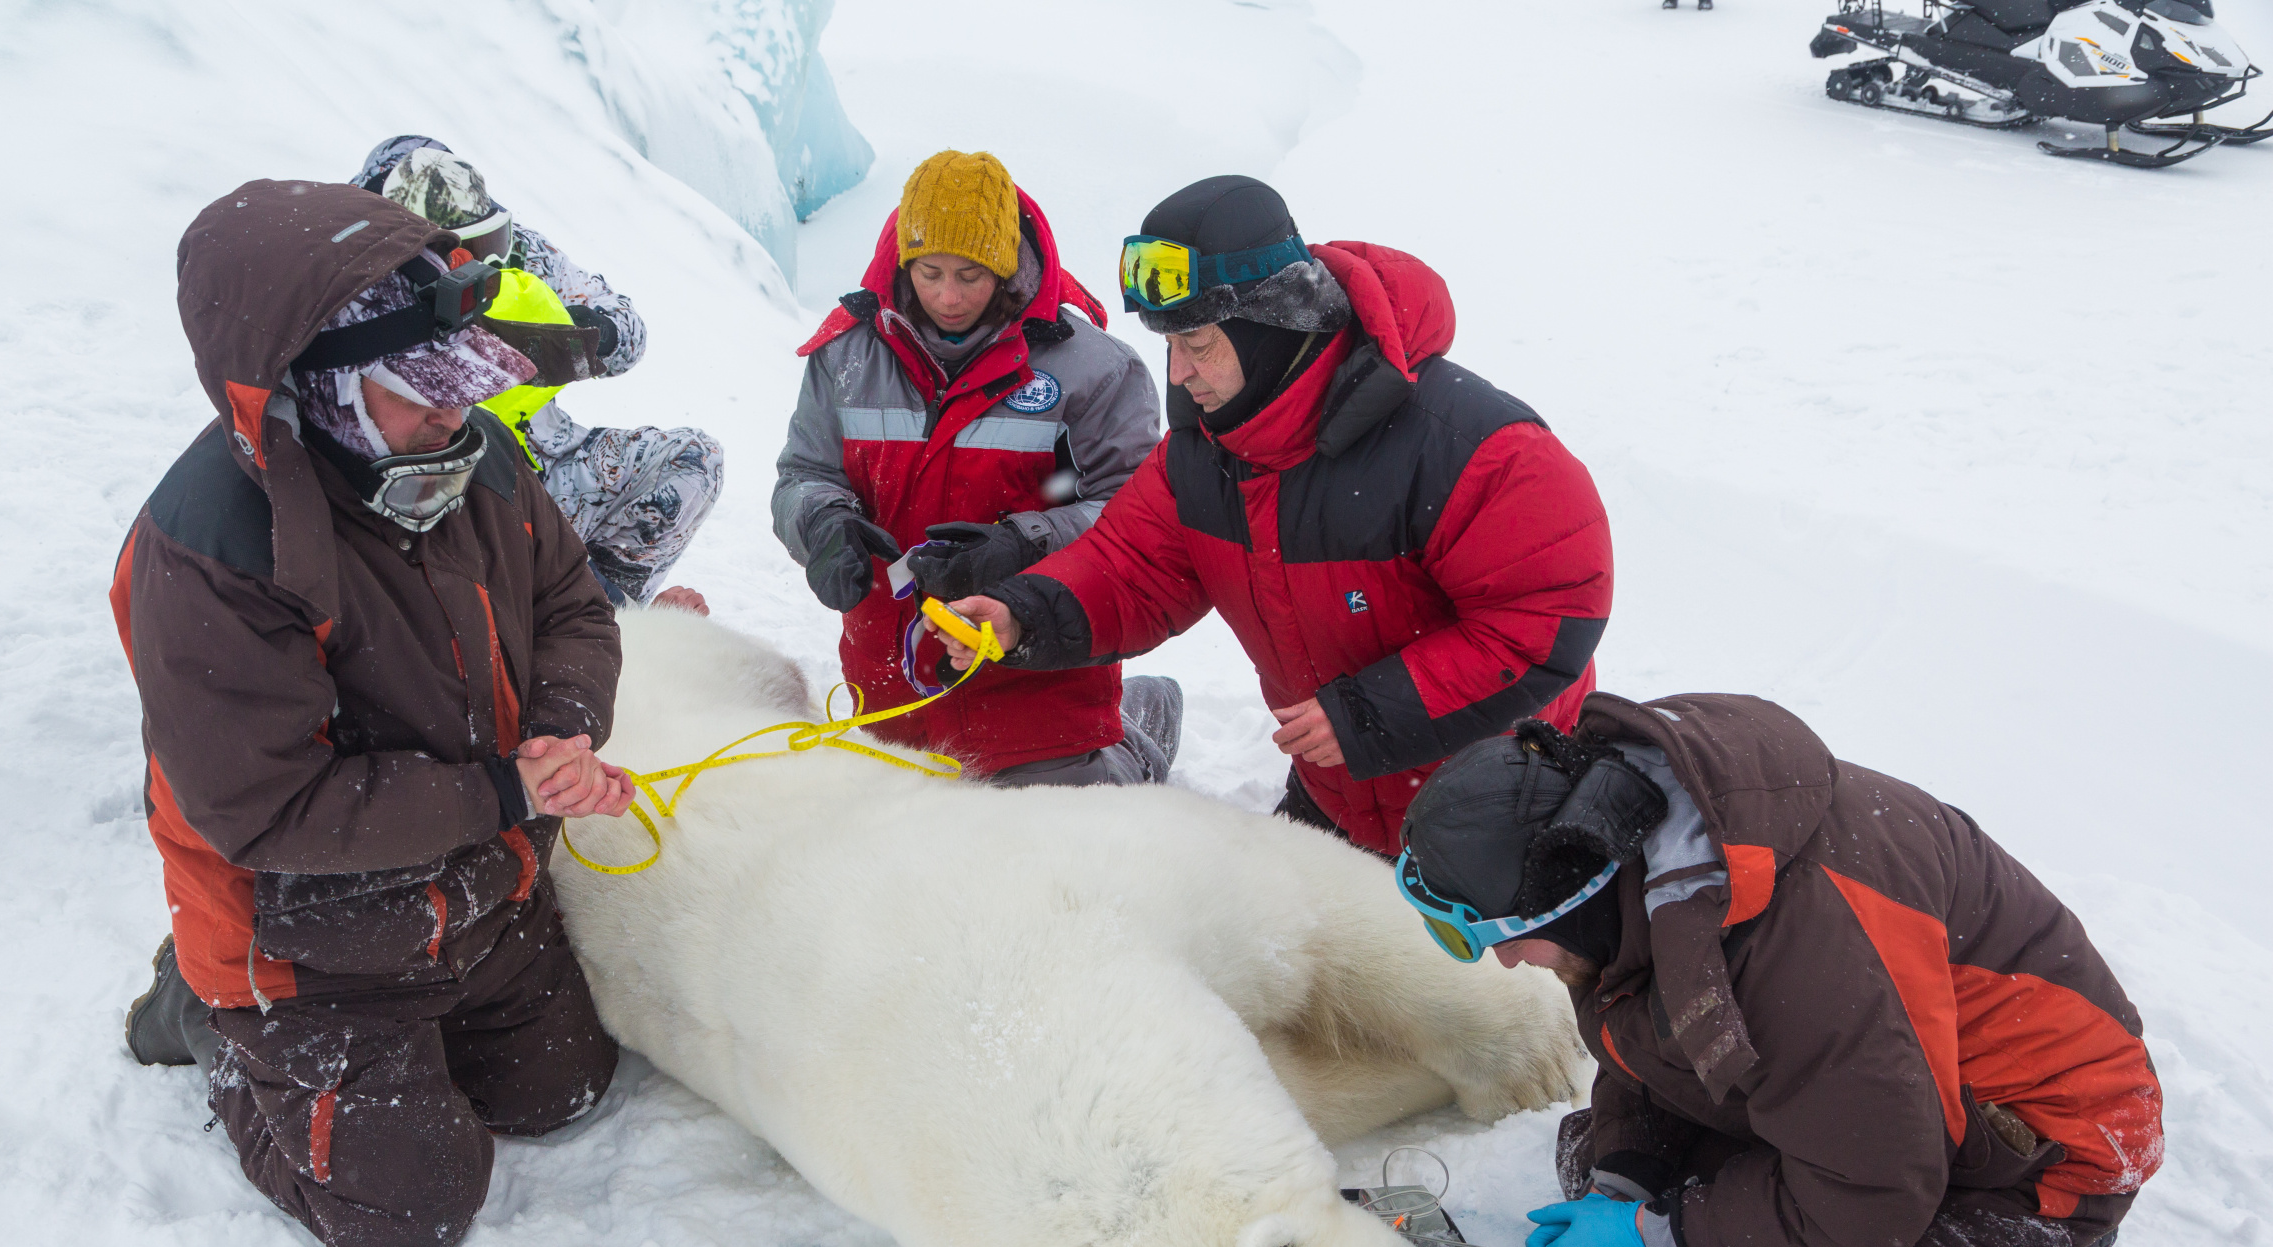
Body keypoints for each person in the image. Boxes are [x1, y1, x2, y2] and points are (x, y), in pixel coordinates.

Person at [1391, 697, 2165, 1247]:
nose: (1500, 959)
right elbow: (1645, 1029)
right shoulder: (1632, 858)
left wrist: (1654, 1233)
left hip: (2039, 1156)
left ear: (1562, 903)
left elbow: (1874, 1193)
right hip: (1885, 1100)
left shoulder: (1798, 962)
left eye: (1487, 935)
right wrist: (1624, 1183)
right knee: (1594, 1157)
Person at [114, 178, 638, 1247]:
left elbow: (573, 606)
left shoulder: (477, 464)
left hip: (478, 896)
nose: (456, 412)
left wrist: (561, 728)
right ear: (325, 384)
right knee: (408, 1215)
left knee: (563, 1096)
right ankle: (212, 1021)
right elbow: (272, 806)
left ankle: (407, 1043)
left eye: (463, 385)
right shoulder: (209, 546)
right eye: (421, 391)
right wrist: (508, 791)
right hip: (309, 944)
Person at [936, 175, 1611, 853]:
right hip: (1339, 793)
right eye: (1169, 346)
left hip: (1499, 802)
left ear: (1268, 328)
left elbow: (1544, 616)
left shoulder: (1470, 448)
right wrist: (1019, 613)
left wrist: (1368, 716)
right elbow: (1129, 567)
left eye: (1197, 345)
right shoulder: (1206, 455)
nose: (1178, 374)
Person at [772, 149, 1183, 786]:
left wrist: (1021, 544)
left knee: (1045, 835)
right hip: (892, 677)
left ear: (1007, 264)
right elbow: (804, 474)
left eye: (970, 274)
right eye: (930, 272)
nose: (948, 296)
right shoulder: (846, 356)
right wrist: (824, 527)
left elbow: (1135, 512)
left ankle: (1134, 742)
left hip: (1036, 670)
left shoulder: (1094, 369)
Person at [354, 136, 723, 610]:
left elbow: (628, 331)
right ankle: (598, 617)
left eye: (485, 243)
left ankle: (607, 612)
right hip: (447, 476)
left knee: (693, 459)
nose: (478, 262)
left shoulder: (512, 247)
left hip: (546, 454)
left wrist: (578, 337)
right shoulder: (363, 280)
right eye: (456, 250)